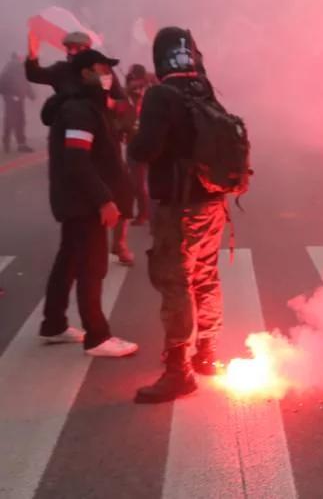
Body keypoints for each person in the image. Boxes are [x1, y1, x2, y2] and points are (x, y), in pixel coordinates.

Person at [131, 28, 228, 403]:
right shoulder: (203, 89)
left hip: (179, 207)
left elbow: (144, 149)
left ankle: (178, 370)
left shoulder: (160, 95)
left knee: (175, 281)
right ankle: (207, 353)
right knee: (206, 275)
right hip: (212, 204)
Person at [38, 48, 138, 357]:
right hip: (83, 203)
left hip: (78, 201)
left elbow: (125, 110)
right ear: (85, 73)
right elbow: (77, 161)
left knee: (68, 261)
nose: (108, 74)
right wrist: (104, 200)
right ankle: (98, 337)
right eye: (103, 69)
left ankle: (53, 325)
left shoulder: (91, 107)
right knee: (91, 267)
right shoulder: (79, 111)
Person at [124, 64, 158, 225]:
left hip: (152, 140)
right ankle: (144, 213)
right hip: (134, 141)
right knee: (136, 183)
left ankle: (153, 214)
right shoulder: (126, 95)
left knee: (155, 182)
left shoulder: (154, 89)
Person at [1, 52, 35, 153]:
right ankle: (21, 144)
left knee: (9, 120)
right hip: (17, 98)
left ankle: (6, 142)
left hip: (10, 98)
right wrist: (31, 95)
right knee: (19, 121)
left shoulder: (6, 68)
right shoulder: (18, 67)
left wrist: (7, 95)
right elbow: (25, 81)